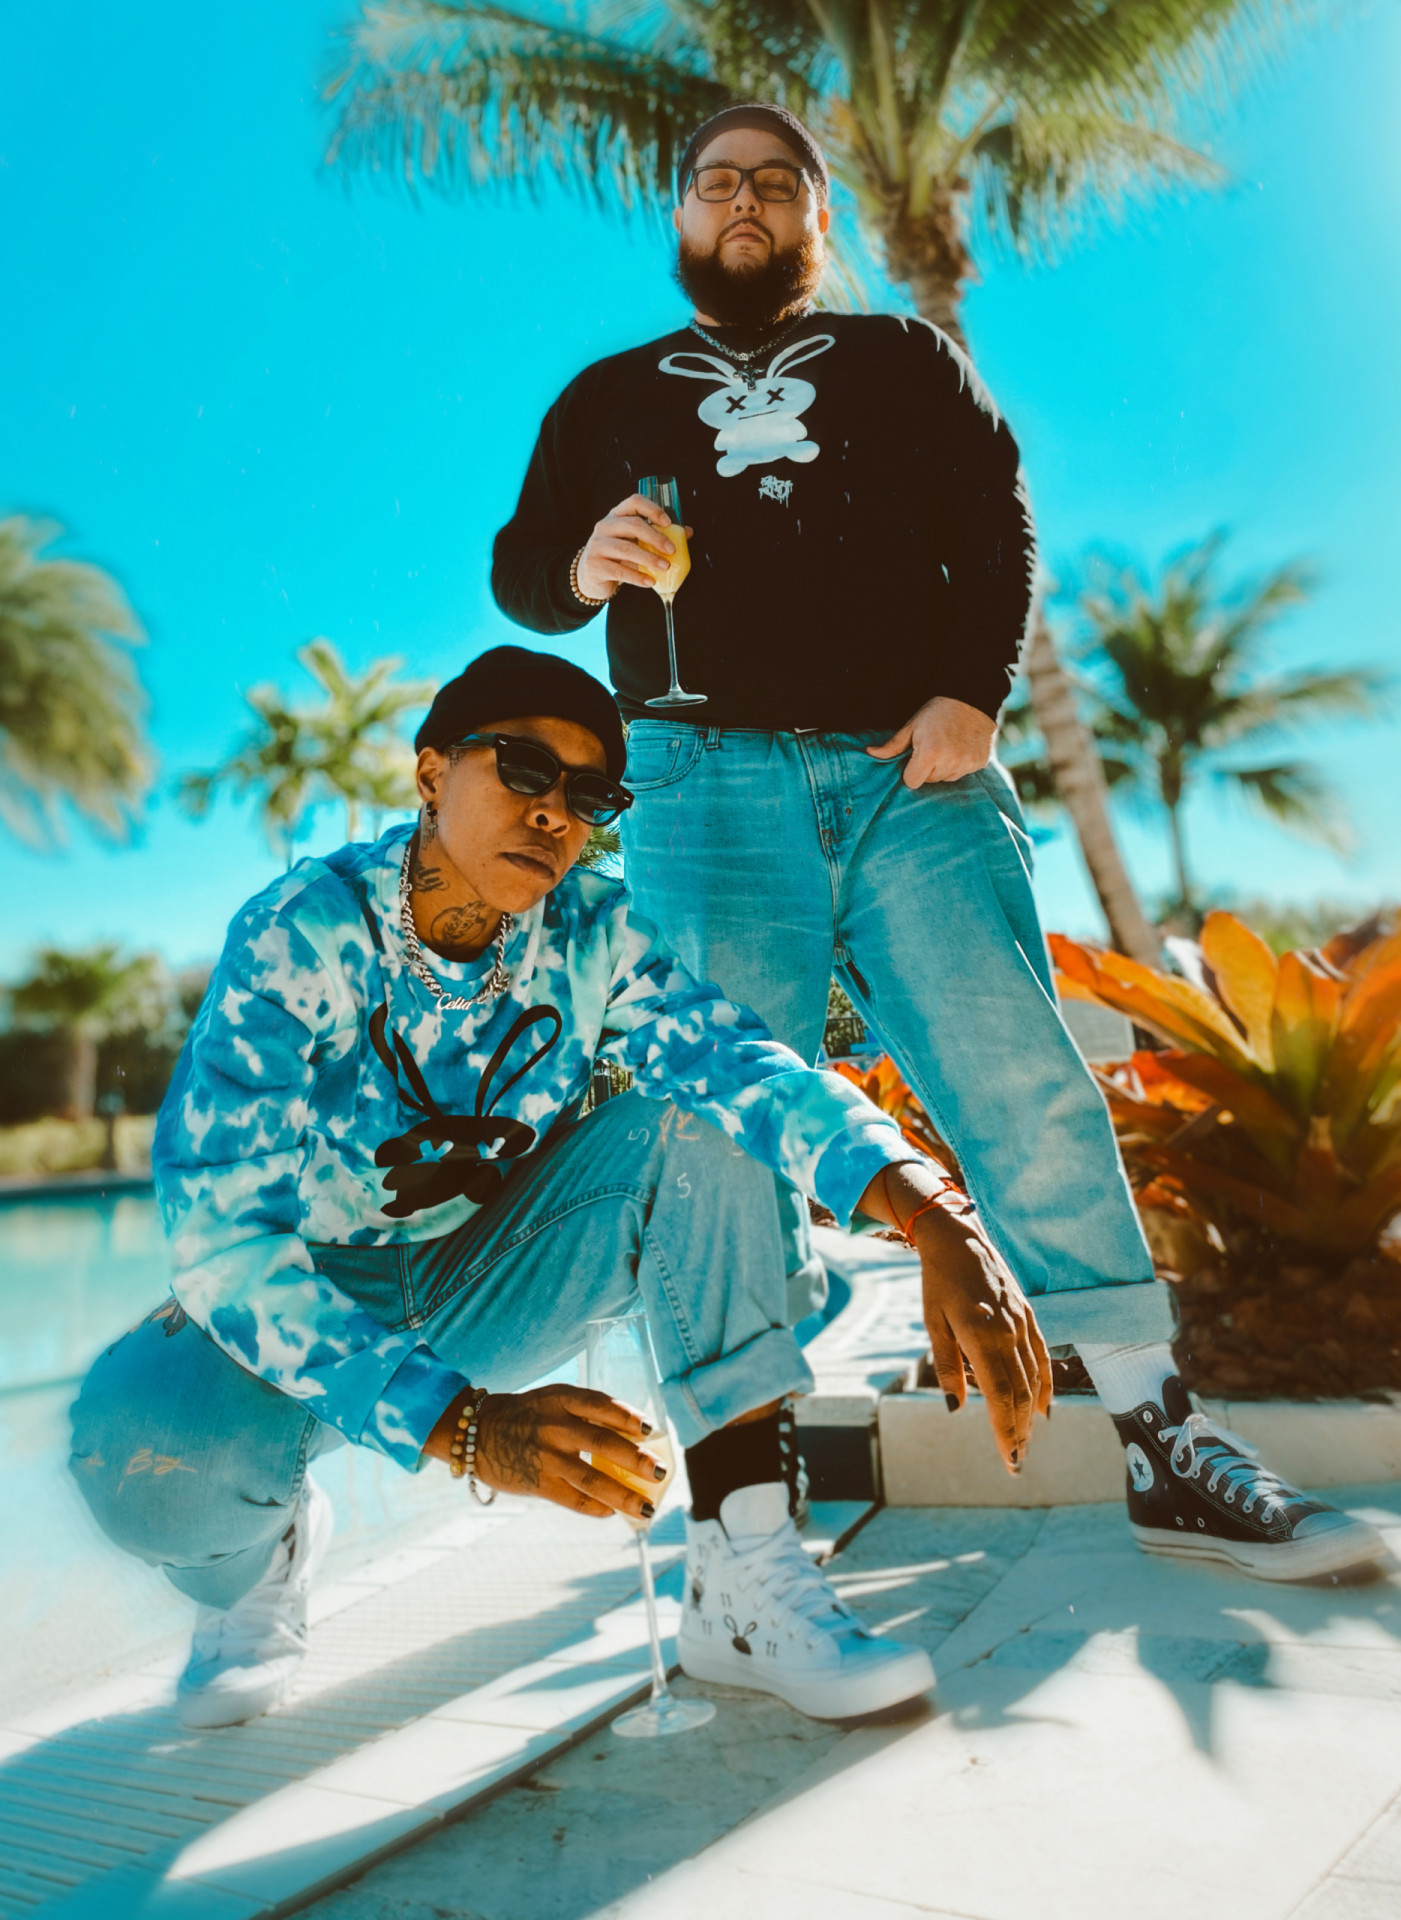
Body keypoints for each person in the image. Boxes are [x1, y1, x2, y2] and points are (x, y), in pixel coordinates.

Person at [490, 104, 1382, 1582]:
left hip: (914, 771)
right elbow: (523, 573)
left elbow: (999, 525)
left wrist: (976, 687)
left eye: (778, 182)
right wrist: (583, 566)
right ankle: (745, 1529)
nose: (745, 200)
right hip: (701, 790)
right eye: (717, 182)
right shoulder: (604, 397)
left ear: (817, 219)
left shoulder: (904, 357)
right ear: (680, 217)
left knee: (1022, 1080)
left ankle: (1162, 1445)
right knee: (722, 1124)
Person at [71, 645, 1053, 1731]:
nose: (553, 813)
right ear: (431, 772)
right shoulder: (301, 931)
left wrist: (932, 1212)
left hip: (493, 1274)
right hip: (311, 1286)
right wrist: (463, 1428)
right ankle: (256, 1571)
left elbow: (741, 1067)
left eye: (586, 797)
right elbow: (222, 1236)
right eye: (524, 769)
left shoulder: (595, 929)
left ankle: (742, 1566)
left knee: (701, 1111)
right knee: (136, 1449)